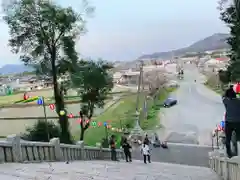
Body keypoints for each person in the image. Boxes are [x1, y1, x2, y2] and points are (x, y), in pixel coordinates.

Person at [222, 87, 240, 158]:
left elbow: (223, 97)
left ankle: (229, 153)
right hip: (238, 122)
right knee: (239, 137)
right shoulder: (239, 101)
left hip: (229, 122)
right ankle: (238, 149)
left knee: (228, 138)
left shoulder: (226, 101)